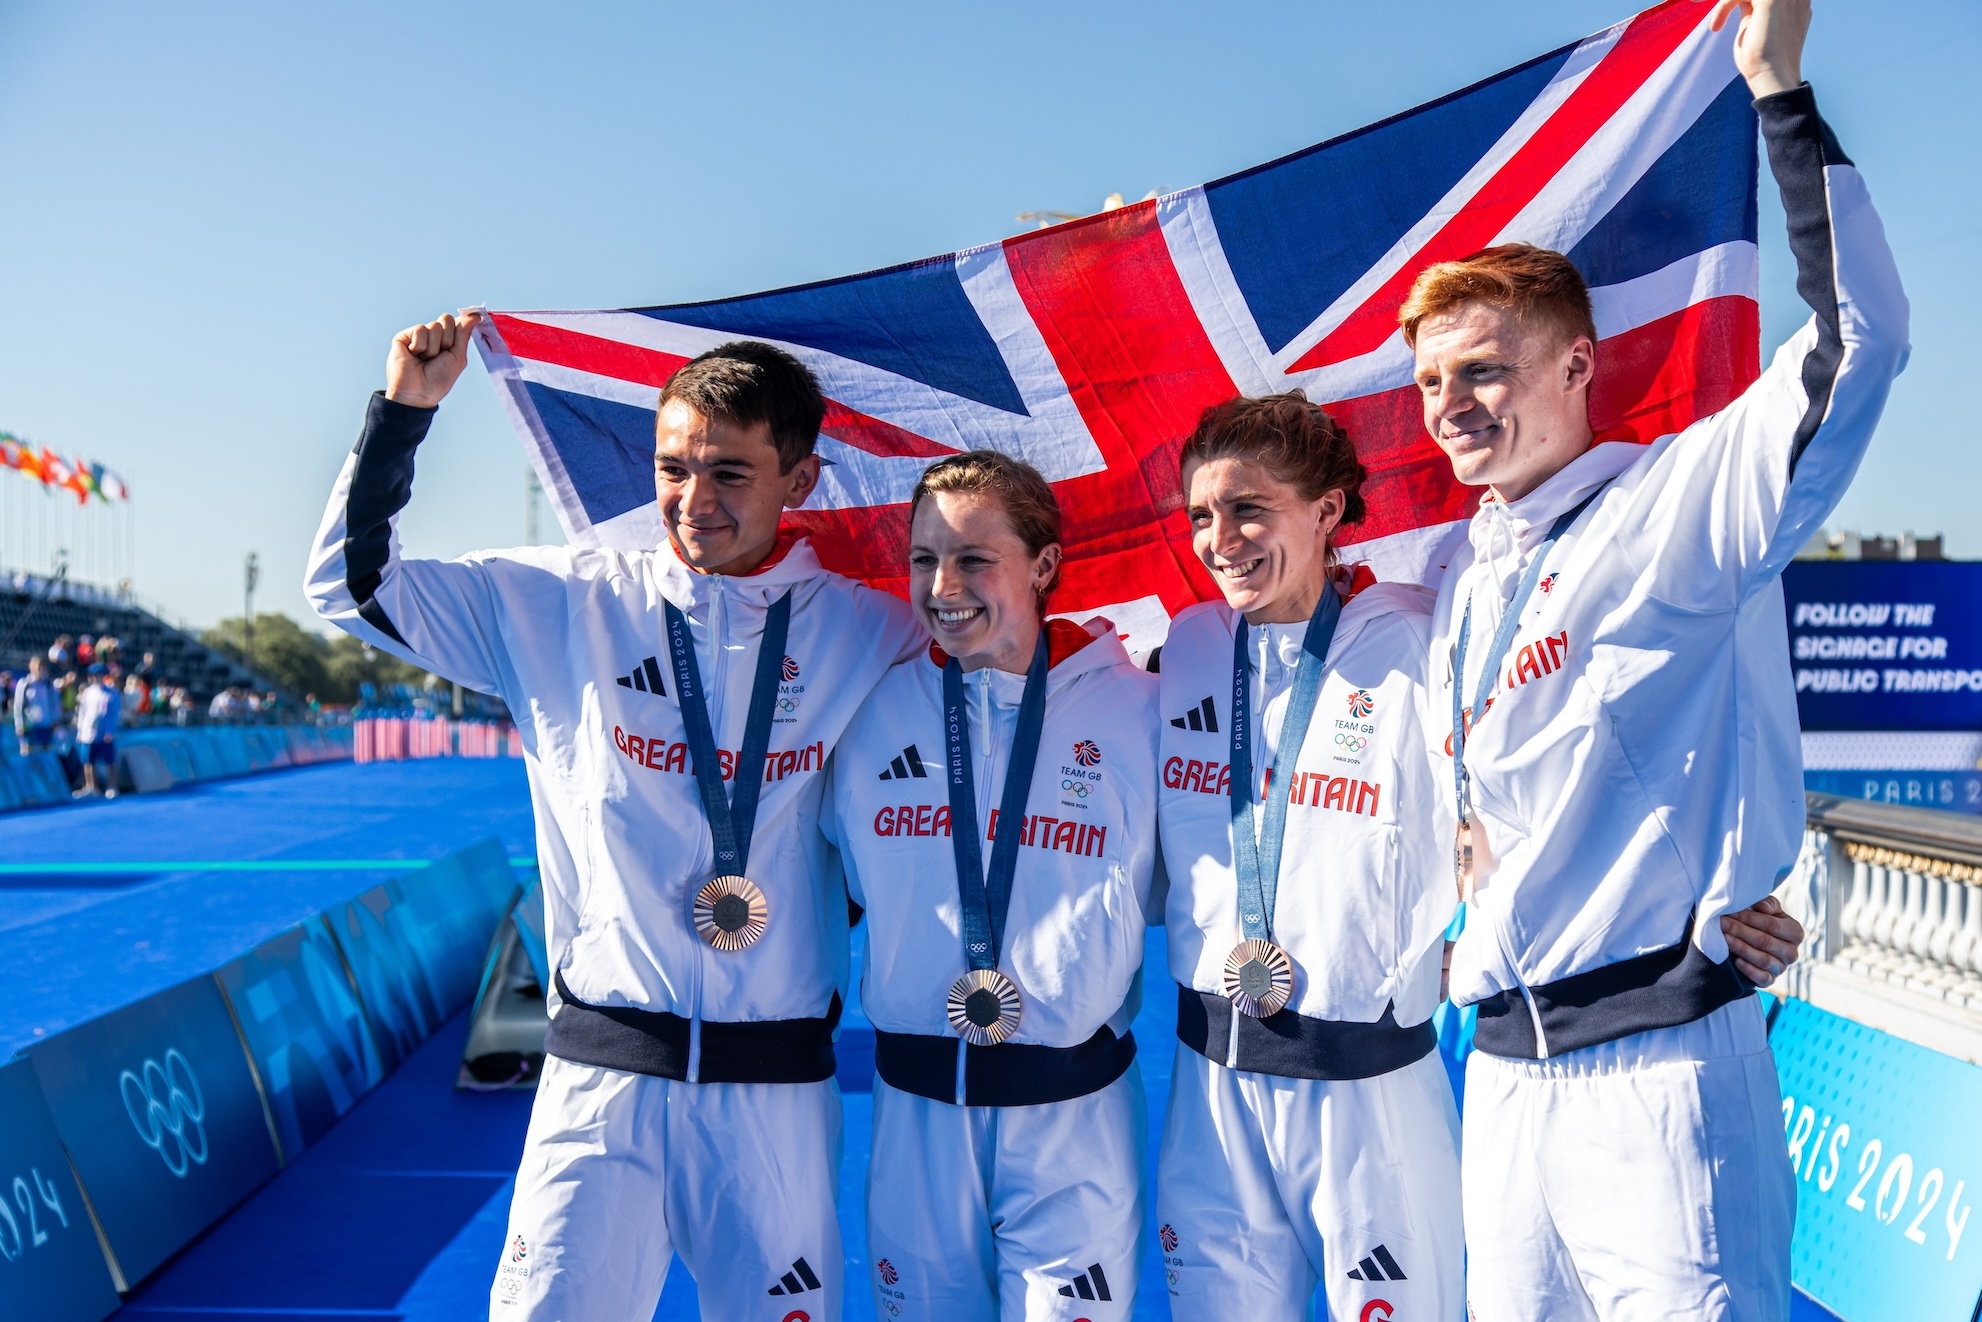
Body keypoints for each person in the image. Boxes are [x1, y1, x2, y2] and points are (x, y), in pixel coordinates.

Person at [1406, 0, 1905, 1315]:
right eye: (1429, 384)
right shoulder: (1463, 584)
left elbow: (1860, 342)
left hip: (1658, 1072)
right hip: (1501, 1080)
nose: (1451, 405)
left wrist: (1774, 88)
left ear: (1577, 365)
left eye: (1482, 369)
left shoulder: (1672, 509)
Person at [305, 312, 926, 1321]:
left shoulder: (874, 631)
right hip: (599, 1087)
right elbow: (351, 585)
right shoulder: (564, 602)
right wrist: (405, 414)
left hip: (775, 1097)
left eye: (729, 472)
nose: (692, 499)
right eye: (673, 466)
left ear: (799, 482)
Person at [823, 452, 1159, 1320]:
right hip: (915, 1118)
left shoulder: (1138, 707)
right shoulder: (865, 713)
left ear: (1043, 564)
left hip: (1074, 1120)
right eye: (924, 559)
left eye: (974, 558)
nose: (944, 586)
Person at [1152, 393, 1463, 1321]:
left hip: (1366, 1088)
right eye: (1203, 515)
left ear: (1328, 509)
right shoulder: (1190, 646)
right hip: (1213, 1090)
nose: (1222, 540)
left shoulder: (1416, 637)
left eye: (1249, 509)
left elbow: (1525, 794)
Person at [73, 664, 122, 798]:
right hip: (89, 732)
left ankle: (112, 786)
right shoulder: (87, 693)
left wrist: (110, 731)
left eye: (99, 675)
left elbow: (115, 714)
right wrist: (80, 731)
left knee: (109, 761)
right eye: (93, 676)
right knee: (88, 761)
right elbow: (82, 713)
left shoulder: (112, 693)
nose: (96, 679)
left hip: (104, 732)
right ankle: (91, 786)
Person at [12, 655, 59, 756]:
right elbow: (18, 706)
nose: (40, 670)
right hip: (30, 725)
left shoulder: (49, 685)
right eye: (38, 667)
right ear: (31, 668)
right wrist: (19, 725)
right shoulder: (24, 684)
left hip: (46, 725)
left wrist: (55, 720)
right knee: (28, 754)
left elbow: (55, 704)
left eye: (43, 667)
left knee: (46, 755)